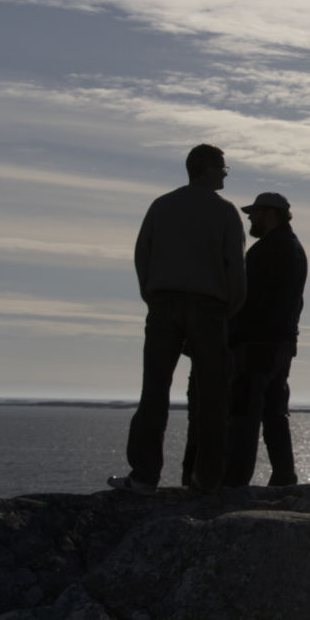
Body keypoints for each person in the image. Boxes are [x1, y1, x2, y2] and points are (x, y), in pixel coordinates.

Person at [111, 144, 246, 495]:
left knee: (154, 391)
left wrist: (152, 296)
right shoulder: (225, 212)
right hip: (209, 308)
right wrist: (227, 309)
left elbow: (142, 256)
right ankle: (207, 479)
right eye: (221, 167)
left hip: (163, 304)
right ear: (205, 169)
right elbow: (235, 267)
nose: (225, 173)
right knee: (213, 394)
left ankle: (144, 476)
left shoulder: (161, 206)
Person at [221, 191, 306, 488]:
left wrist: (232, 332)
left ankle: (236, 480)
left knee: (245, 411)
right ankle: (284, 476)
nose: (250, 219)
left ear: (270, 213)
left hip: (257, 342)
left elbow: (249, 298)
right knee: (274, 412)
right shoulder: (293, 248)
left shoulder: (268, 250)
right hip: (280, 341)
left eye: (254, 213)